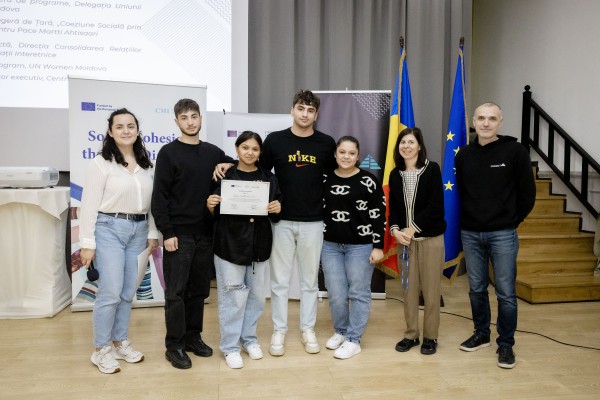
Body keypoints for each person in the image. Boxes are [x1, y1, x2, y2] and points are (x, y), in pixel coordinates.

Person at [215, 90, 336, 356]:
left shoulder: (326, 143)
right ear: (292, 110)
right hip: (280, 222)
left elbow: (336, 175)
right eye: (300, 108)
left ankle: (307, 329)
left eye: (310, 110)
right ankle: (279, 330)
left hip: (313, 221)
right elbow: (254, 168)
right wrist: (227, 164)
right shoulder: (275, 140)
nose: (305, 114)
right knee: (279, 282)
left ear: (316, 114)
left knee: (309, 282)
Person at [151, 98, 233, 369]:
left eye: (194, 116)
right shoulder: (168, 153)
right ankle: (174, 345)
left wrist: (227, 165)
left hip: (206, 234)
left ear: (200, 118)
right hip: (179, 235)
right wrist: (167, 232)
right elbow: (159, 197)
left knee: (198, 291)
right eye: (184, 117)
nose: (190, 122)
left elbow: (237, 162)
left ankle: (192, 337)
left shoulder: (212, 152)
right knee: (176, 293)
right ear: (176, 121)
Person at [78, 108, 159, 374]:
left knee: (126, 292)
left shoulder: (146, 165)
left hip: (139, 230)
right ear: (110, 131)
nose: (126, 130)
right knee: (110, 292)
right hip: (109, 229)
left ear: (137, 130)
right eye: (120, 126)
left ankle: (120, 341)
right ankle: (101, 349)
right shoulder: (101, 163)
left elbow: (153, 204)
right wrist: (87, 243)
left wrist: (152, 233)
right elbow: (89, 205)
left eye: (130, 126)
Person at [455, 102, 536, 369]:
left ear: (500, 122)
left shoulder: (515, 151)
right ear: (474, 122)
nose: (486, 123)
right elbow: (461, 193)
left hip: (503, 233)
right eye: (481, 118)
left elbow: (527, 194)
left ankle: (506, 343)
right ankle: (481, 334)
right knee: (476, 289)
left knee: (505, 292)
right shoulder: (463, 155)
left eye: (492, 118)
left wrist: (511, 220)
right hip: (470, 232)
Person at [207, 131, 282, 369]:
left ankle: (249, 339)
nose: (250, 152)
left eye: (255, 149)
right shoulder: (224, 175)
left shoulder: (269, 178)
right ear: (237, 149)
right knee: (232, 298)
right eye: (245, 147)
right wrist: (211, 205)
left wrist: (277, 208)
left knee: (257, 297)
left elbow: (276, 213)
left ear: (260, 153)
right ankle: (230, 347)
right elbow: (214, 213)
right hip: (229, 245)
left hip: (259, 245)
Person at [320, 136, 385, 359]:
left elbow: (378, 214)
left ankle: (354, 339)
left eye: (351, 153)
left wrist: (378, 246)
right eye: (342, 152)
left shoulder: (368, 181)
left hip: (361, 246)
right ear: (335, 154)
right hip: (330, 245)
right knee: (336, 293)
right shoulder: (325, 179)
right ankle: (341, 331)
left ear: (358, 156)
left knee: (358, 292)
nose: (346, 156)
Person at [388, 127, 446, 356]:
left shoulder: (432, 169)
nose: (406, 146)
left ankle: (431, 337)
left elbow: (435, 206)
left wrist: (411, 229)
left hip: (430, 239)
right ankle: (411, 334)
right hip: (405, 242)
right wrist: (395, 230)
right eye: (403, 142)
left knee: (431, 291)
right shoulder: (395, 174)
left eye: (411, 142)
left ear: (419, 146)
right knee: (408, 291)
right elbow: (394, 208)